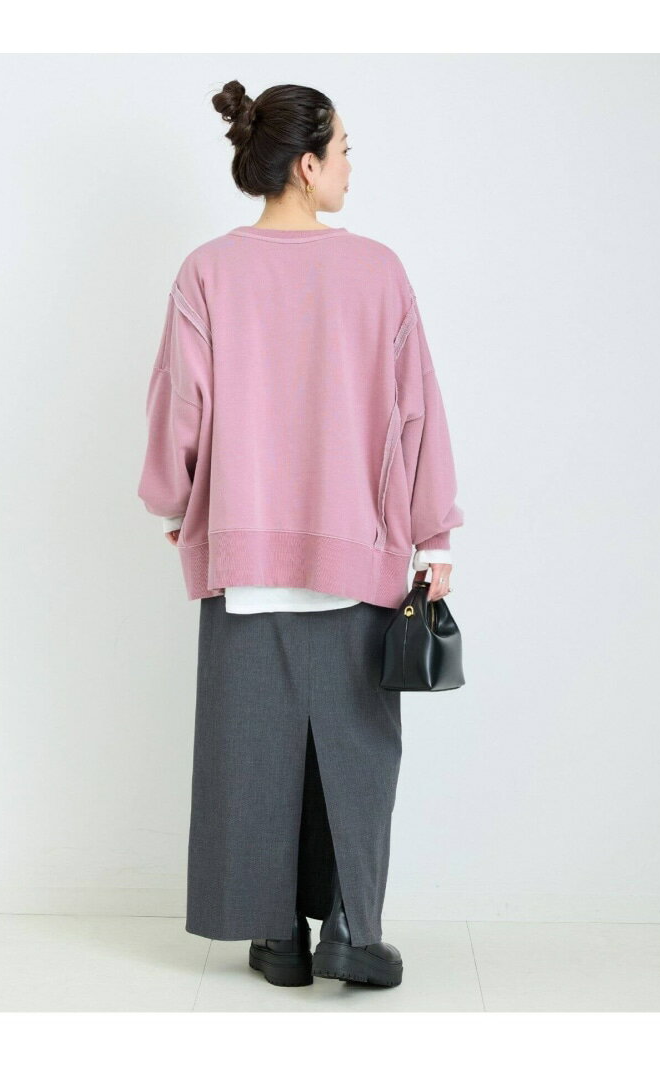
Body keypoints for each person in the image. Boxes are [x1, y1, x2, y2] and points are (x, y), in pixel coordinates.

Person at [137, 80, 463, 989]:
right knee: (358, 751)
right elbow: (418, 413)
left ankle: (275, 931)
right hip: (357, 553)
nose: (353, 166)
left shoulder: (208, 271)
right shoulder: (379, 272)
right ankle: (351, 928)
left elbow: (179, 409)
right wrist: (433, 536)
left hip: (244, 560)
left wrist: (180, 510)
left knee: (250, 750)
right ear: (308, 164)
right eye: (345, 149)